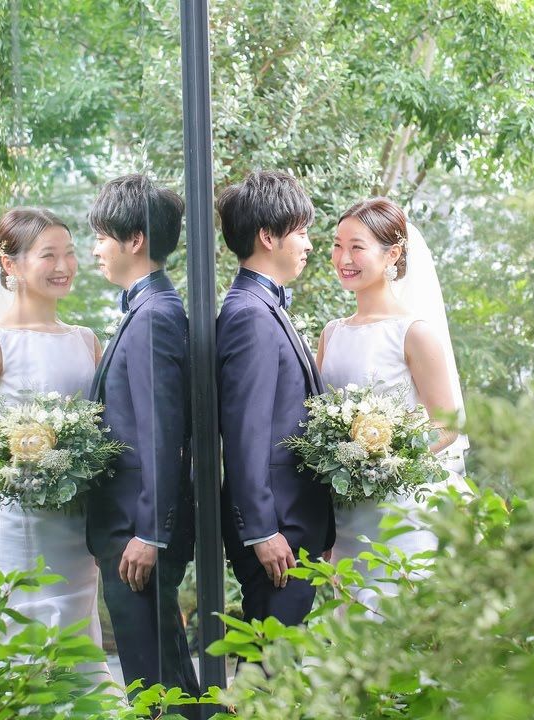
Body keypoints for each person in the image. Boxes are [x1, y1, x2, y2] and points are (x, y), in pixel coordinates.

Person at [0, 207, 111, 681]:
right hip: (19, 520)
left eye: (69, 253)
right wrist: (25, 457)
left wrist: (74, 459)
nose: (64, 266)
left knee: (76, 641)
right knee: (21, 640)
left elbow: (102, 427)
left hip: (75, 523)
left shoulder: (86, 340)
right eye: (48, 255)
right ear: (10, 264)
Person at [317, 197, 469, 612]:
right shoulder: (331, 333)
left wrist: (388, 455)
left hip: (399, 509)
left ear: (393, 254)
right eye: (337, 245)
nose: (343, 258)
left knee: (394, 620)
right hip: (347, 512)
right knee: (351, 623)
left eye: (357, 247)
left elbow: (447, 424)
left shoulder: (413, 332)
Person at [85, 174, 198, 704]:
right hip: (134, 531)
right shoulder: (147, 309)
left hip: (138, 535)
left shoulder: (154, 316)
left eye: (101, 237)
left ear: (135, 240)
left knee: (155, 688)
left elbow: (162, 431)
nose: (95, 250)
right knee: (164, 680)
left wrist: (150, 534)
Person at [215, 170, 335, 627]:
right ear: (268, 237)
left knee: (270, 659)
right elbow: (245, 431)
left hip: (289, 525)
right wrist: (261, 530)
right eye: (301, 233)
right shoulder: (250, 314)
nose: (309, 245)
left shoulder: (263, 307)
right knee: (268, 660)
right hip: (277, 530)